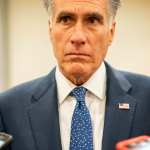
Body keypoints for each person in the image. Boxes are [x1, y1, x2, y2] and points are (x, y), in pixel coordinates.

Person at [0, 0, 150, 150]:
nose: (78, 37)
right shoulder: (7, 109)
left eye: (92, 20)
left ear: (111, 32)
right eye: (66, 19)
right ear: (50, 29)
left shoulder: (147, 99)